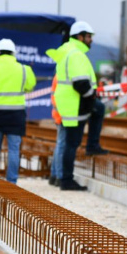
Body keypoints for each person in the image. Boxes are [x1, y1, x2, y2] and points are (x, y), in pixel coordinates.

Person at [49, 21, 107, 192]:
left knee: (68, 141)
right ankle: (66, 180)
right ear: (80, 37)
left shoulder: (68, 50)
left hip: (69, 103)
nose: (91, 40)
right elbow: (80, 83)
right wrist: (92, 95)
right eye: (88, 36)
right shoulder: (76, 54)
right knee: (71, 143)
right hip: (76, 104)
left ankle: (63, 176)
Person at [0, 38, 36, 184]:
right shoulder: (24, 69)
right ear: (13, 53)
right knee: (14, 150)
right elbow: (30, 86)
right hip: (16, 116)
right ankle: (12, 182)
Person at [48, 75, 66, 187]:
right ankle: (59, 176)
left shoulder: (57, 75)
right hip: (64, 114)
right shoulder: (63, 75)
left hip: (59, 114)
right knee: (61, 145)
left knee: (59, 144)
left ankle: (54, 175)